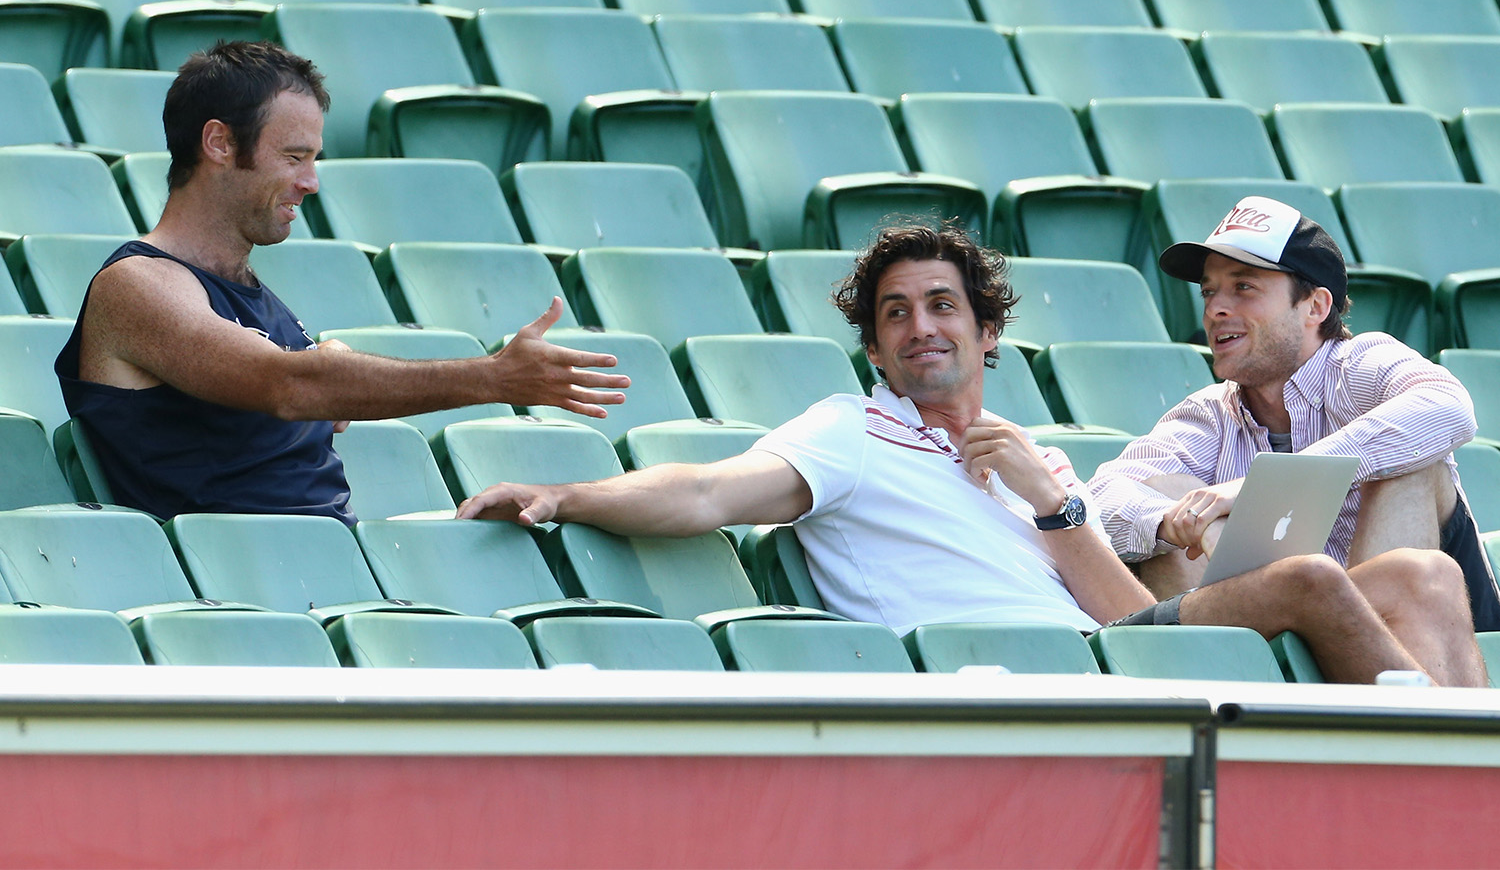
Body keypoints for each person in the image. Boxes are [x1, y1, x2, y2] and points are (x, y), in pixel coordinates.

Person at [457, 222, 1487, 686]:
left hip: (1113, 652)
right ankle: (1446, 775)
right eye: (895, 314)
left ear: (988, 332)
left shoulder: (1024, 452)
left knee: (1416, 570)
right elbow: (708, 490)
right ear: (873, 347)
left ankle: (1449, 764)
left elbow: (1119, 606)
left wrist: (1051, 499)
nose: (921, 328)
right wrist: (572, 491)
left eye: (943, 306)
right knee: (1310, 575)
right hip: (1034, 676)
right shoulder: (850, 430)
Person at [54, 40, 628, 524]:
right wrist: (494, 377)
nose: (312, 182)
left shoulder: (253, 297)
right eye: (295, 157)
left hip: (323, 568)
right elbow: (289, 387)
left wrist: (324, 370)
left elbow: (299, 381)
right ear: (220, 144)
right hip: (236, 598)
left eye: (315, 159)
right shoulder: (135, 285)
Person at [1088, 195, 1500, 633]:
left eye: (1243, 287)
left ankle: (1394, 686)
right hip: (1293, 648)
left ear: (1316, 307)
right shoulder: (1208, 414)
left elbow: (1447, 405)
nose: (1214, 309)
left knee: (1412, 467)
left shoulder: (1360, 361)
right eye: (1210, 291)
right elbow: (1100, 499)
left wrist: (1268, 485)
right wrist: (1181, 523)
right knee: (1169, 494)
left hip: (1447, 642)